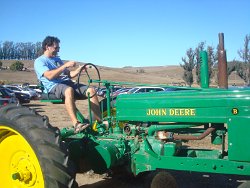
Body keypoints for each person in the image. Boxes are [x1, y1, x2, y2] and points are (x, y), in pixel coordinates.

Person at [34, 36, 102, 133]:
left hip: (67, 83)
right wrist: (65, 65)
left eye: (58, 48)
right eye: (56, 48)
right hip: (53, 86)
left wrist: (79, 70)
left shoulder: (57, 60)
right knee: (68, 90)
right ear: (47, 47)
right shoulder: (40, 61)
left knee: (91, 90)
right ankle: (76, 124)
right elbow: (49, 76)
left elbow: (69, 75)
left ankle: (97, 122)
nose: (58, 50)